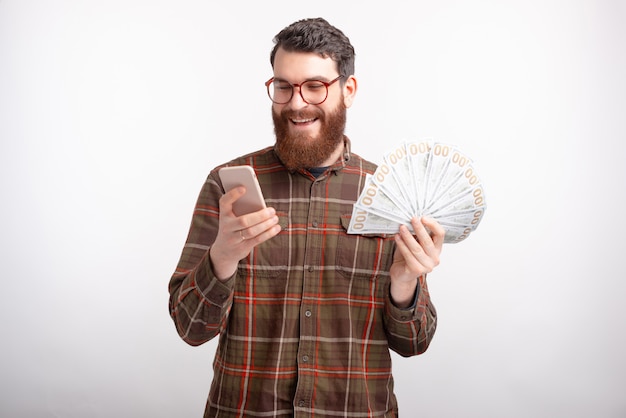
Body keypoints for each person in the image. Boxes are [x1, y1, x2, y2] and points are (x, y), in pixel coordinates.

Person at [168, 17, 445, 417]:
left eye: (315, 86)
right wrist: (223, 257)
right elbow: (190, 328)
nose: (297, 103)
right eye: (283, 86)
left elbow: (414, 343)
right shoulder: (229, 187)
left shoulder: (389, 193)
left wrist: (403, 284)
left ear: (347, 90)